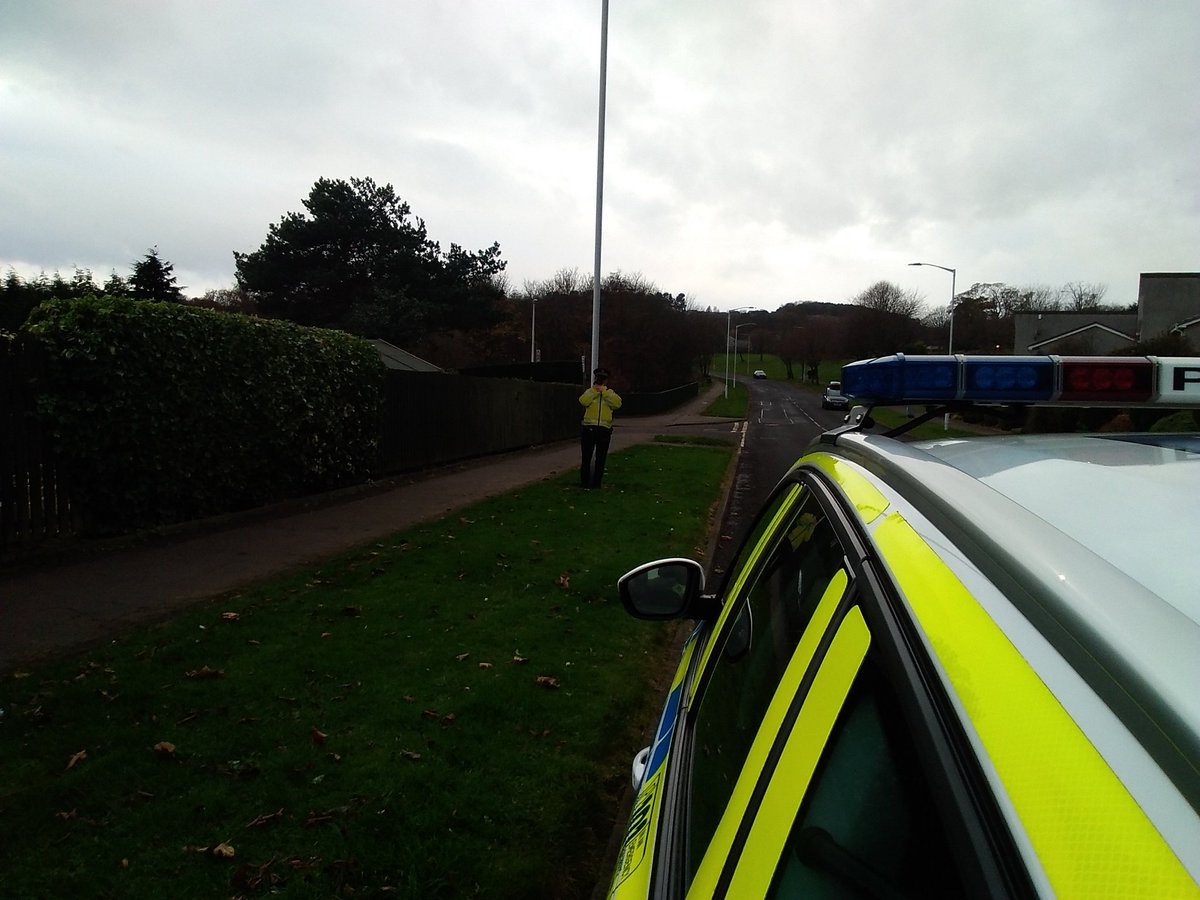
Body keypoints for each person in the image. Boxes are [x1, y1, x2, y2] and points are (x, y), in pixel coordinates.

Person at [579, 367, 623, 488]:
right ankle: (584, 482)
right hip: (589, 429)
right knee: (586, 458)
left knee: (600, 458)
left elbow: (617, 404)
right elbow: (583, 401)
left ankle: (596, 483)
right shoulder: (589, 392)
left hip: (604, 430)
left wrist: (604, 392)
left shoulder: (610, 393)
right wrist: (594, 391)